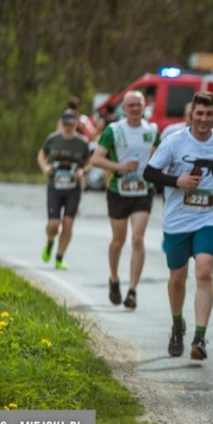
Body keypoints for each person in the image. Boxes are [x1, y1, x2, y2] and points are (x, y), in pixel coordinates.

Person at [143, 92, 213, 360]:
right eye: (199, 114)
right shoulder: (174, 142)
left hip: (210, 216)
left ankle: (199, 337)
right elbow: (148, 173)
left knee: (205, 273)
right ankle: (177, 325)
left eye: (209, 115)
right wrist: (177, 181)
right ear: (191, 115)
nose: (204, 119)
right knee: (177, 278)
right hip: (177, 219)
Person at [91, 90, 161, 309]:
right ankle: (114, 278)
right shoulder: (114, 130)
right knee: (118, 240)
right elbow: (96, 159)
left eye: (138, 105)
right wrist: (119, 167)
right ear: (124, 108)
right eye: (130, 105)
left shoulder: (152, 129)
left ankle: (132, 291)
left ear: (144, 106)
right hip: (118, 189)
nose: (135, 109)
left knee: (138, 239)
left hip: (143, 189)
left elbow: (159, 155)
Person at [37, 110, 91, 270]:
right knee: (54, 224)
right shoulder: (53, 139)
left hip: (73, 189)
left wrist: (83, 171)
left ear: (76, 124)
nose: (68, 127)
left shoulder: (82, 143)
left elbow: (90, 161)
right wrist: (45, 167)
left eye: (71, 124)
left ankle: (59, 257)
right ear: (62, 123)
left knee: (68, 223)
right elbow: (41, 155)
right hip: (55, 187)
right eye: (65, 123)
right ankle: (49, 242)